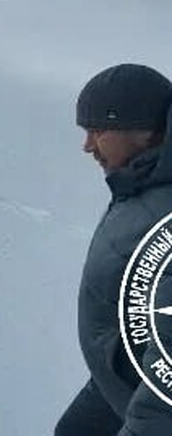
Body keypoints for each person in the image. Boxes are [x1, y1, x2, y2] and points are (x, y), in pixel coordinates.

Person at [58, 63, 172, 435]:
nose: (87, 146)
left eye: (98, 131)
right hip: (120, 384)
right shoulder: (144, 184)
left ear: (143, 133)